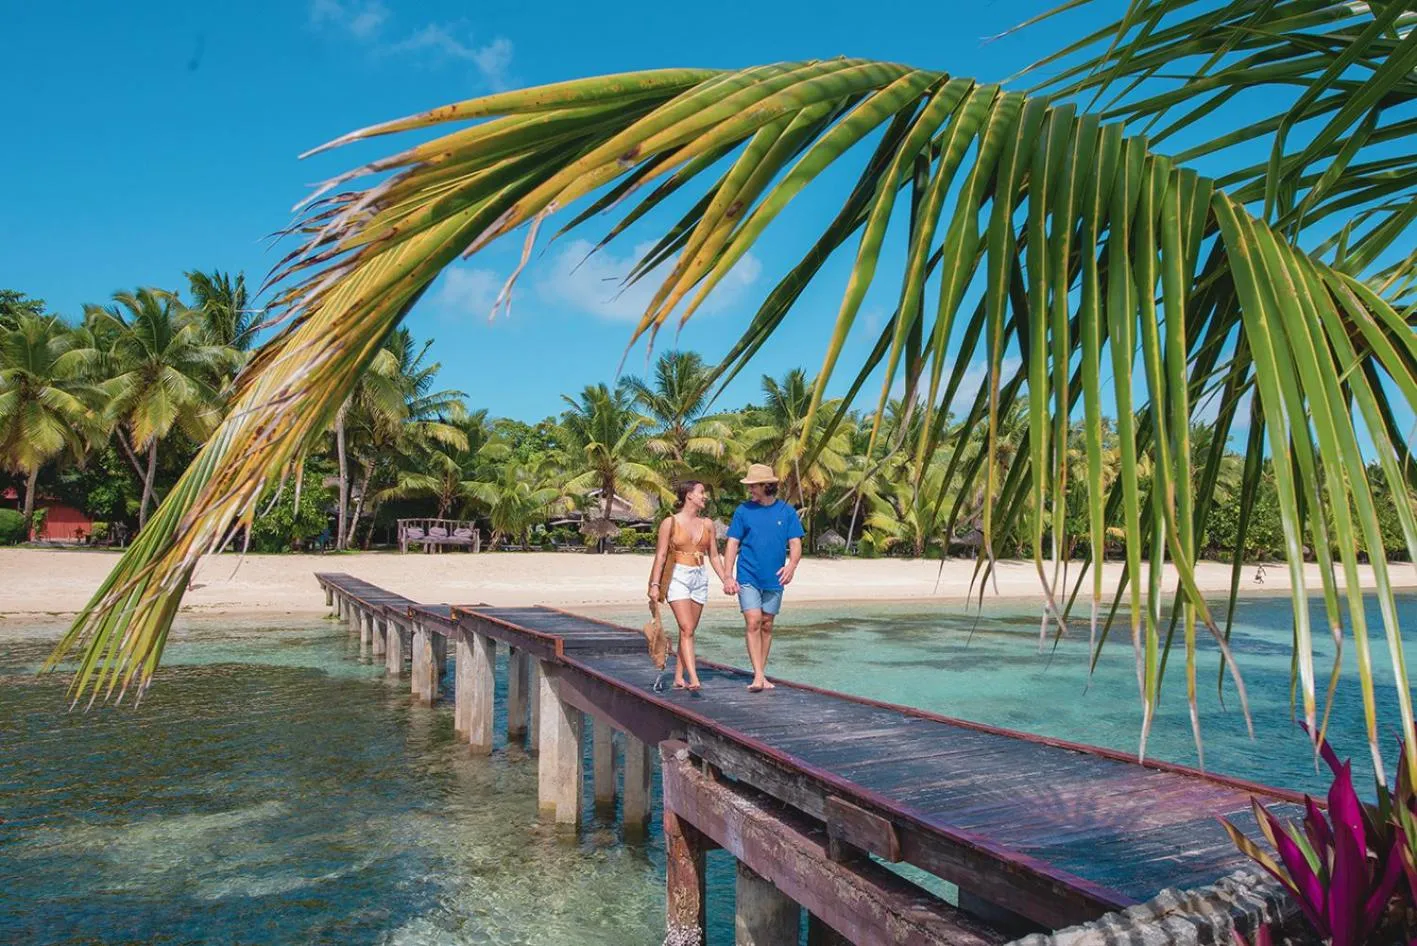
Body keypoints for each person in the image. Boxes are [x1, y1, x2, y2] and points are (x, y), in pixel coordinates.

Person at [722, 464, 803, 692]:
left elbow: (795, 542)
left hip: (775, 578)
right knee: (753, 621)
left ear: (766, 486)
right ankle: (758, 676)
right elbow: (732, 543)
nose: (750, 491)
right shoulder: (743, 511)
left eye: (753, 486)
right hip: (748, 574)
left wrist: (792, 566)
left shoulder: (786, 512)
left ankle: (761, 673)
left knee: (767, 625)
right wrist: (728, 576)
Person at [647, 480, 729, 691]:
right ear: (689, 496)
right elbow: (661, 555)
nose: (705, 496)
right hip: (678, 576)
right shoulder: (670, 523)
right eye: (702, 492)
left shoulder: (708, 524)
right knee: (687, 627)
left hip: (700, 576)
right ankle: (694, 678)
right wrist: (655, 584)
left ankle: (678, 677)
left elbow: (714, 556)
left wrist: (726, 579)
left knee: (689, 631)